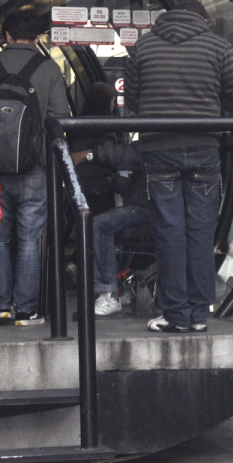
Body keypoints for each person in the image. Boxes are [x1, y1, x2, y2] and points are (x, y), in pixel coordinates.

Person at [125, 0, 233, 333]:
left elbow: (134, 101)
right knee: (200, 232)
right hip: (203, 147)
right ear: (204, 19)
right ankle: (199, 314)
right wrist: (212, 101)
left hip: (160, 148)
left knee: (169, 231)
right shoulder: (217, 46)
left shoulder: (143, 47)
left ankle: (175, 314)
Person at [0, 7, 70, 327]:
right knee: (28, 239)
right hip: (34, 167)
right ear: (38, 38)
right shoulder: (49, 68)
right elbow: (59, 116)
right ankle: (25, 310)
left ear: (7, 36)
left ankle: (0, 306)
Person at [71, 82, 148, 318]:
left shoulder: (78, 127)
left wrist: (88, 155)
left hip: (144, 204)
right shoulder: (141, 132)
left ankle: (109, 293)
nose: (129, 113)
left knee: (99, 225)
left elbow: (129, 156)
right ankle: (115, 289)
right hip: (144, 200)